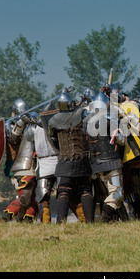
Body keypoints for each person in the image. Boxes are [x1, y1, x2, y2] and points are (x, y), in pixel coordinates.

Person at [48, 90, 94, 223]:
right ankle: (90, 223)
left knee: (63, 191)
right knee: (85, 190)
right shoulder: (81, 114)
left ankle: (61, 223)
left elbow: (54, 140)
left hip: (64, 159)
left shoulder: (53, 120)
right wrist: (88, 102)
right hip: (82, 159)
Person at [84, 91, 126, 222]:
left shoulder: (86, 123)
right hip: (111, 163)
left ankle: (121, 219)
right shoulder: (109, 121)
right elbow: (121, 141)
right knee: (117, 193)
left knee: (111, 193)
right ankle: (105, 218)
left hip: (97, 165)